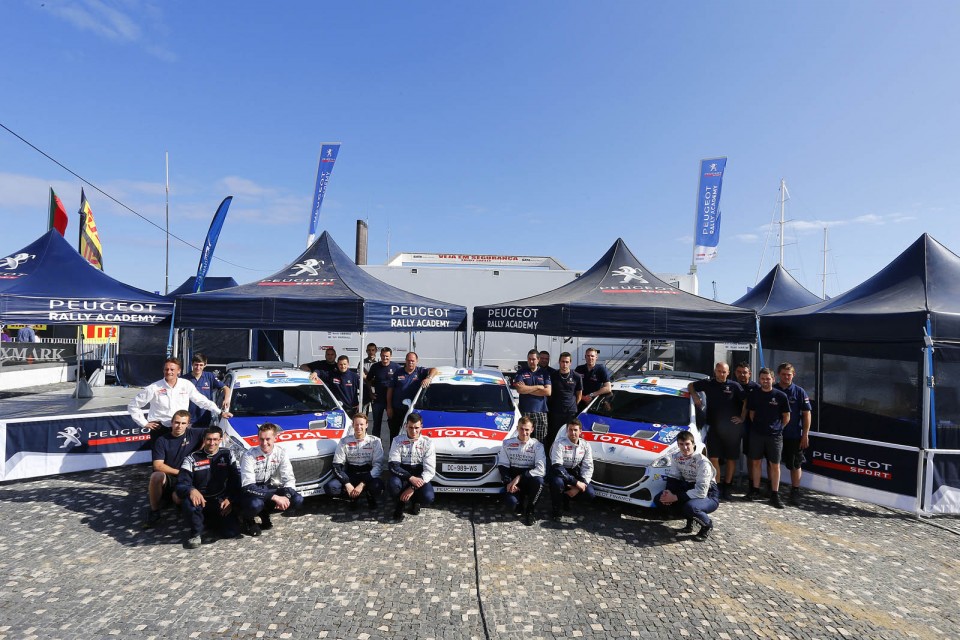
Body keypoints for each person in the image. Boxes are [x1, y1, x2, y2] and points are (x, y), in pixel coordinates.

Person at [176, 426, 241, 549]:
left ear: (220, 439)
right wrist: (191, 490)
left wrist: (230, 499)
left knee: (231, 533)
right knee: (189, 502)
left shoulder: (228, 455)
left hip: (220, 499)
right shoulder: (191, 458)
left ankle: (210, 521)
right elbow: (180, 484)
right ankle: (195, 533)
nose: (212, 443)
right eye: (209, 439)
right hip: (200, 500)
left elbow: (236, 481)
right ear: (204, 439)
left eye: (215, 439)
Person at [688, 362, 744, 500]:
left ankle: (728, 486)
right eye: (719, 371)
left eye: (724, 372)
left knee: (731, 459)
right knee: (713, 458)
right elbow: (691, 386)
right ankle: (716, 486)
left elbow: (746, 401)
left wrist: (742, 417)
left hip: (732, 429)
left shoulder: (735, 386)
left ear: (728, 372)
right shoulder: (708, 384)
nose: (721, 374)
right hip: (714, 427)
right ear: (715, 371)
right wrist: (695, 396)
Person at [128, 357, 230, 430]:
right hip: (160, 429)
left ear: (178, 371)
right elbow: (133, 406)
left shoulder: (186, 384)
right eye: (166, 369)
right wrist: (144, 423)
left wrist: (220, 412)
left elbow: (202, 401)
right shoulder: (153, 387)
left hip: (180, 429)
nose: (169, 372)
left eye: (172, 369)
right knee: (159, 460)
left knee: (180, 458)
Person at [143, 409, 205, 528]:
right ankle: (154, 511)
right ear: (171, 423)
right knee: (156, 476)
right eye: (176, 422)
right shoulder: (162, 440)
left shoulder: (195, 433)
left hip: (187, 477)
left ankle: (177, 503)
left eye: (183, 423)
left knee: (177, 499)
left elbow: (214, 434)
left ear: (188, 424)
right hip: (171, 476)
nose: (179, 426)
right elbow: (158, 466)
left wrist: (200, 451)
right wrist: (181, 472)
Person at [239, 423, 303, 536]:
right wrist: (276, 498)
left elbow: (289, 478)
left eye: (268, 439)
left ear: (275, 438)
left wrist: (286, 497)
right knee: (255, 504)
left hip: (268, 486)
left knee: (297, 499)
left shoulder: (281, 452)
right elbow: (247, 486)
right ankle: (248, 520)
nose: (264, 443)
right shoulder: (248, 455)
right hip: (251, 490)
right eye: (261, 439)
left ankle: (264, 513)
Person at [654, 430, 719, 539]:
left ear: (693, 444)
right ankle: (690, 520)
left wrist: (675, 497)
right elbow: (673, 478)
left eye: (687, 444)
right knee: (660, 499)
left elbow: (701, 492)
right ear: (678, 445)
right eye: (681, 444)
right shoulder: (676, 457)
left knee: (691, 507)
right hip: (688, 486)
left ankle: (707, 525)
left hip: (708, 494)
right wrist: (668, 492)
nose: (685, 447)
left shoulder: (703, 462)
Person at [745, 368, 791, 508]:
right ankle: (755, 490)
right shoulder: (754, 394)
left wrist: (777, 429)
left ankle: (775, 494)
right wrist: (759, 427)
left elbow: (786, 417)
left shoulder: (781, 396)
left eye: (768, 379)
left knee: (775, 465)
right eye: (763, 379)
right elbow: (751, 414)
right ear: (759, 379)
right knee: (756, 462)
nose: (765, 381)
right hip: (757, 434)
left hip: (775, 436)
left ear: (773, 379)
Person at [326, 413, 385, 510]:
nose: (359, 427)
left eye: (361, 424)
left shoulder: (375, 441)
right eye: (356, 424)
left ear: (366, 425)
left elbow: (378, 466)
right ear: (352, 425)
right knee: (331, 487)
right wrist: (347, 483)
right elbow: (336, 466)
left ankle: (369, 494)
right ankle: (352, 496)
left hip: (368, 474)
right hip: (351, 474)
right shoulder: (344, 441)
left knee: (378, 487)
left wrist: (362, 484)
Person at [496, 416, 546, 526]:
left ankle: (530, 511)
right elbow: (503, 465)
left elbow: (541, 470)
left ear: (532, 429)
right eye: (521, 429)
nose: (524, 432)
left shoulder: (538, 446)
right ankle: (519, 503)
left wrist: (520, 477)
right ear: (517, 428)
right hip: (512, 482)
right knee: (511, 503)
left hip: (528, 480)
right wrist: (508, 482)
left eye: (527, 429)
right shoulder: (507, 444)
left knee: (540, 481)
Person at [775, 363, 813, 506]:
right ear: (779, 374)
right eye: (784, 374)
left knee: (795, 465)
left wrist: (805, 434)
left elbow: (807, 414)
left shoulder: (799, 392)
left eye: (789, 374)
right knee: (774, 463)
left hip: (794, 435)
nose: (786, 377)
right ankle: (774, 490)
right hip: (775, 435)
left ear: (793, 375)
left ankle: (795, 491)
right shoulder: (772, 389)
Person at [387, 412, 436, 522]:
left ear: (421, 427)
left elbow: (429, 470)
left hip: (419, 475)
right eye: (410, 427)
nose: (414, 431)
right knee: (393, 485)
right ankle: (400, 503)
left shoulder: (428, 443)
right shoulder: (397, 441)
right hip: (402, 474)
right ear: (405, 426)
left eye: (416, 428)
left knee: (428, 497)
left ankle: (415, 501)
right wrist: (410, 478)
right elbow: (393, 466)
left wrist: (412, 487)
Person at [547, 418, 595, 521]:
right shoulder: (559, 443)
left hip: (574, 472)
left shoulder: (586, 445)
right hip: (559, 472)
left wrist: (579, 486)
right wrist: (575, 482)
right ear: (567, 431)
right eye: (570, 430)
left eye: (575, 430)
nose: (573, 433)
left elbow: (588, 467)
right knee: (557, 483)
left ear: (580, 431)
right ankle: (557, 509)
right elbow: (557, 466)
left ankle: (567, 497)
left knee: (590, 494)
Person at [386, 352, 437, 440]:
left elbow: (434, 370)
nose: (410, 363)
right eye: (408, 361)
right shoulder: (398, 373)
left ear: (417, 361)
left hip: (412, 411)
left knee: (410, 433)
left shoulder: (420, 371)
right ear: (405, 361)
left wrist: (429, 378)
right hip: (397, 409)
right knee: (394, 434)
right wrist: (389, 407)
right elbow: (390, 390)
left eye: (413, 361)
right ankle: (393, 451)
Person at [513, 349, 551, 442]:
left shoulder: (544, 373)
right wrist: (538, 386)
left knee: (540, 440)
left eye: (533, 359)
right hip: (525, 411)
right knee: (524, 438)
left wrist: (527, 389)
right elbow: (520, 389)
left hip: (541, 411)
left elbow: (548, 392)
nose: (531, 361)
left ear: (538, 360)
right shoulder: (521, 372)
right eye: (529, 359)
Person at [547, 352, 583, 448]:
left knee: (570, 435)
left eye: (567, 362)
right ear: (559, 362)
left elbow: (579, 394)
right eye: (563, 361)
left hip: (570, 412)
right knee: (554, 435)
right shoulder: (553, 375)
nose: (564, 364)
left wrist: (573, 405)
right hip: (555, 412)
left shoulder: (576, 376)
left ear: (570, 363)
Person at [181, 353, 226, 428]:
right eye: (196, 364)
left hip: (205, 417)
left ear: (205, 365)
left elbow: (225, 388)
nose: (198, 367)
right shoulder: (183, 379)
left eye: (201, 365)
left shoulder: (209, 376)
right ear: (192, 364)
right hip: (188, 419)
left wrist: (226, 399)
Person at [367, 347, 401, 440]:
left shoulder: (397, 368)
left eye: (387, 356)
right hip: (378, 401)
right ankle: (375, 447)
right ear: (380, 355)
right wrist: (371, 393)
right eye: (383, 356)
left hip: (392, 402)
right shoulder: (375, 367)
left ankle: (392, 448)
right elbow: (368, 380)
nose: (385, 358)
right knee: (376, 425)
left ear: (391, 356)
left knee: (393, 425)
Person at [361, 342, 378, 414]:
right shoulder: (362, 362)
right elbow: (362, 376)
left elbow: (379, 376)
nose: (371, 352)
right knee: (364, 413)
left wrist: (367, 376)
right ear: (366, 351)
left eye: (373, 350)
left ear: (376, 351)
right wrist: (371, 377)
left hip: (376, 390)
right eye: (369, 350)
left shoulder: (379, 362)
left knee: (376, 413)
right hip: (365, 390)